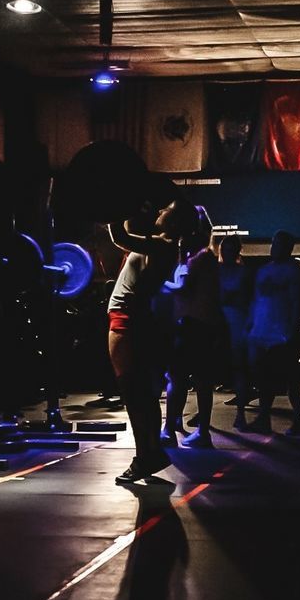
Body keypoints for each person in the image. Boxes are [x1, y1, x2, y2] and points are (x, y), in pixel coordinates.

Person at [107, 197, 197, 483]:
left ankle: (144, 456)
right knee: (142, 394)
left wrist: (112, 205)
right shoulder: (162, 245)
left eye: (166, 209)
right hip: (135, 318)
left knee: (134, 394)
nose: (159, 210)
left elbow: (119, 236)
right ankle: (151, 452)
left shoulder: (161, 245)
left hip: (127, 319)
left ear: (174, 221)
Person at [163, 207, 222, 448]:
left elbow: (183, 289)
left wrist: (156, 282)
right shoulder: (203, 257)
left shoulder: (199, 258)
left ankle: (170, 429)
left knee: (179, 378)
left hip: (192, 326)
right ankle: (188, 428)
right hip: (199, 325)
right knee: (198, 380)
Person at [243, 230, 300, 436]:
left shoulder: (293, 271)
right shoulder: (263, 271)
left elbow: (297, 302)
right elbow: (255, 298)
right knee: (263, 377)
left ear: (288, 248)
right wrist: (251, 323)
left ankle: (298, 419)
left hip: (282, 332)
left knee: (291, 377)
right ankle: (263, 418)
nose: (274, 248)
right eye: (274, 243)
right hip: (261, 330)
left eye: (279, 244)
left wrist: (294, 329)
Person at [217, 235, 253, 415]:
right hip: (219, 319)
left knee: (238, 365)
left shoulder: (243, 272)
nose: (227, 253)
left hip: (236, 320)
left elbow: (247, 299)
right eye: (225, 249)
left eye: (231, 250)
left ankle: (240, 413)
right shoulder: (217, 270)